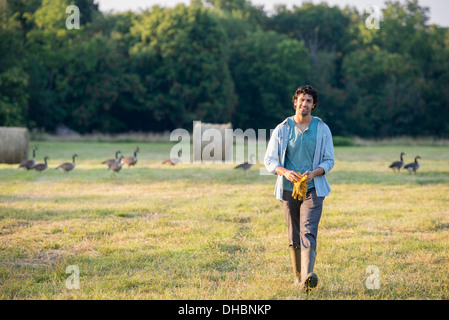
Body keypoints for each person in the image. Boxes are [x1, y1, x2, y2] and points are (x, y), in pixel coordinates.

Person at [264, 85, 334, 292]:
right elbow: (269, 160)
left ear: (314, 105)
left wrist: (315, 172)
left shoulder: (322, 129)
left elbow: (329, 160)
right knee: (294, 234)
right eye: (302, 100)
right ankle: (297, 278)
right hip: (288, 189)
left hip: (313, 188)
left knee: (308, 231)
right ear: (295, 102)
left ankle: (307, 277)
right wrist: (285, 172)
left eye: (309, 101)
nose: (305, 104)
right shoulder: (282, 128)